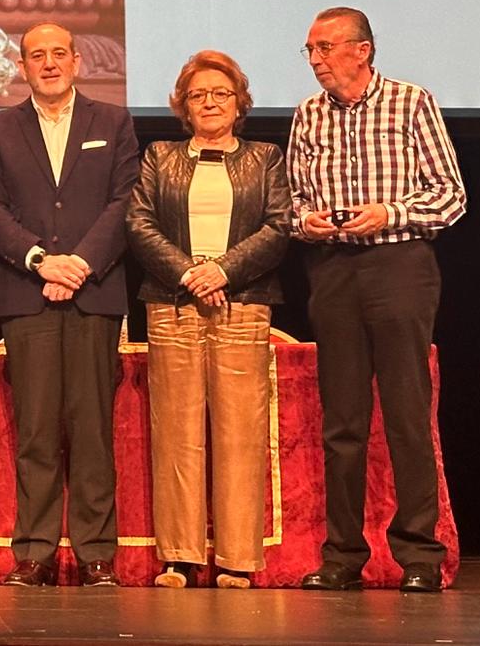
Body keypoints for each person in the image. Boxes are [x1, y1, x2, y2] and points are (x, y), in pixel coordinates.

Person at [289, 7, 466, 594]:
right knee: (342, 422)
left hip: (399, 265)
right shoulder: (308, 116)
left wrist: (388, 214)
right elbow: (292, 202)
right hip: (333, 270)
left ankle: (419, 554)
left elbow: (450, 195)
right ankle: (342, 555)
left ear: (361, 50)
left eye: (326, 48)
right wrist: (306, 222)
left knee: (406, 415)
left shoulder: (411, 102)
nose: (316, 61)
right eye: (310, 51)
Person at [0, 23, 138, 587]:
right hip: (27, 292)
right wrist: (41, 260)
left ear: (76, 61)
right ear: (22, 67)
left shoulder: (112, 121)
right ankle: (35, 552)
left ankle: (97, 554)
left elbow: (125, 201)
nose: (48, 64)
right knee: (37, 430)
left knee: (92, 428)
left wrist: (81, 265)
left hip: (94, 292)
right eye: (36, 56)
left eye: (57, 54)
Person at [126, 50, 291, 589]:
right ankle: (180, 556)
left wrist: (222, 271)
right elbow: (140, 222)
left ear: (239, 102)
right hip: (173, 304)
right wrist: (189, 274)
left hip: (242, 303)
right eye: (198, 95)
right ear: (183, 106)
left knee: (240, 433)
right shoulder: (159, 156)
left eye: (221, 93)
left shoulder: (266, 157)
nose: (210, 103)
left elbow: (278, 225)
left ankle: (238, 559)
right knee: (176, 431)